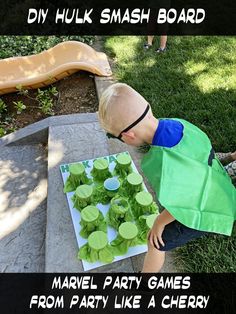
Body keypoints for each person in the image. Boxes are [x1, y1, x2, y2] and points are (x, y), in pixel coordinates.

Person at [98, 82, 236, 273]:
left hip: (209, 206)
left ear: (128, 136)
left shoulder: (166, 162)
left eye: (115, 137)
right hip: (214, 179)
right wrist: (228, 157)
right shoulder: (177, 124)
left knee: (155, 242)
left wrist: (159, 222)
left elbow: (186, 201)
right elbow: (199, 153)